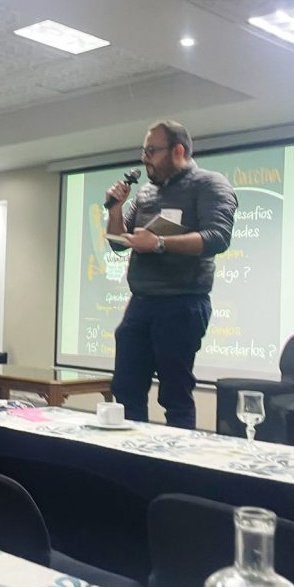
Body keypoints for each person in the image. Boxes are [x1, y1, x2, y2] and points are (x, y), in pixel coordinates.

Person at [105, 120, 237, 429]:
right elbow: (118, 245)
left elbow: (218, 237)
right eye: (144, 150)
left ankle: (175, 471)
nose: (144, 158)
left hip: (182, 304)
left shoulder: (210, 184)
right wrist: (114, 211)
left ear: (178, 150)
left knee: (174, 395)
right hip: (141, 303)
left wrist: (160, 243)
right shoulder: (146, 193)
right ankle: (128, 465)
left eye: (152, 150)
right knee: (125, 390)